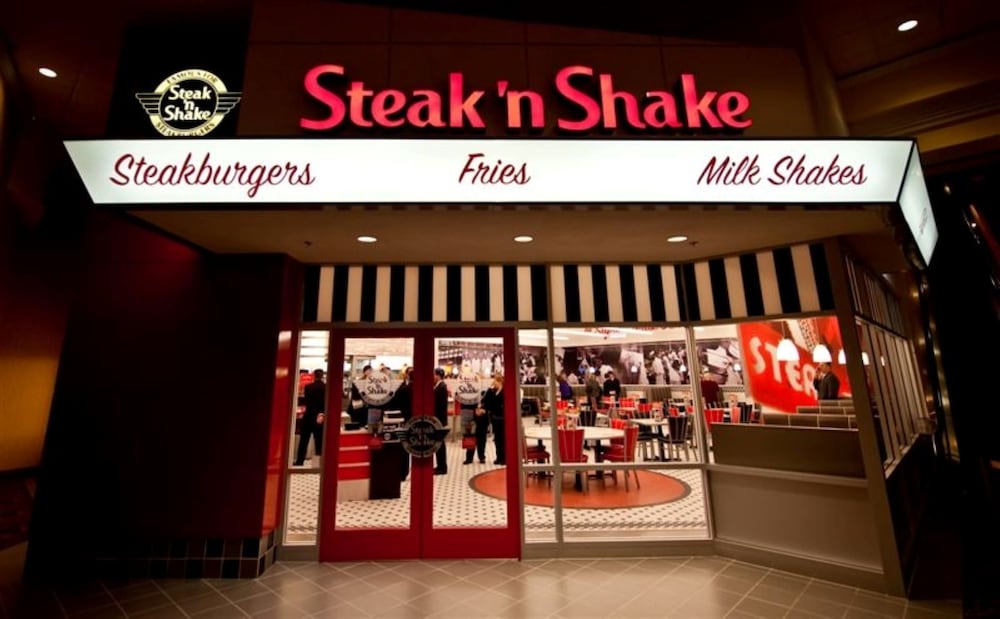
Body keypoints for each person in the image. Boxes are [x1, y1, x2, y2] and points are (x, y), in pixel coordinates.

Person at [293, 369, 326, 466]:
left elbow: (306, 402)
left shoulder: (308, 387)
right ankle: (318, 462)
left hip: (309, 416)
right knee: (319, 441)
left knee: (304, 440)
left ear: (314, 376)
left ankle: (300, 461)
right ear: (322, 376)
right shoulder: (326, 387)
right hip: (320, 416)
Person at [389, 367, 413, 480]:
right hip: (419, 421)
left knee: (405, 446)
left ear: (408, 376)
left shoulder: (403, 389)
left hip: (405, 420)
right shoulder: (422, 389)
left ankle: (403, 472)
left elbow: (394, 404)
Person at [481, 374, 506, 465]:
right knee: (497, 439)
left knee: (502, 438)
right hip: (495, 417)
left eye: (494, 381)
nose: (493, 383)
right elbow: (486, 400)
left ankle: (504, 458)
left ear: (499, 381)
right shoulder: (493, 391)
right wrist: (489, 389)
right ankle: (499, 457)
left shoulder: (504, 391)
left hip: (502, 417)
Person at [465, 386, 490, 465]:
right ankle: (469, 458)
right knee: (470, 437)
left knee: (482, 439)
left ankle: (482, 457)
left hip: (483, 420)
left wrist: (484, 411)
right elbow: (466, 406)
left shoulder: (487, 393)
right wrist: (474, 411)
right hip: (472, 419)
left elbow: (491, 405)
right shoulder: (470, 395)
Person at [433, 367, 449, 474]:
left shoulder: (441, 387)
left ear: (438, 375)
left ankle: (442, 467)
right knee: (438, 442)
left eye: (434, 374)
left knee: (439, 443)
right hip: (439, 418)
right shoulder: (439, 386)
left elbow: (438, 404)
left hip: (439, 418)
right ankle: (440, 465)